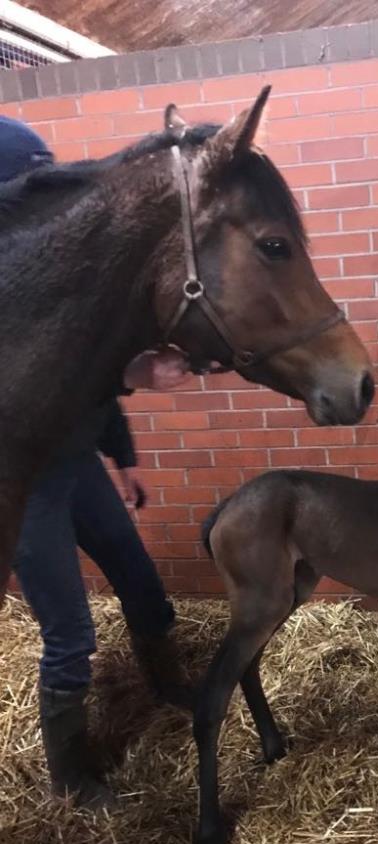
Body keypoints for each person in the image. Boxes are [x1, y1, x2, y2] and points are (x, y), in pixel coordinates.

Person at [2, 115, 193, 808]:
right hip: (25, 484)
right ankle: (71, 778)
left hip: (77, 462)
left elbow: (87, 382)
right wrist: (130, 373)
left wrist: (124, 458)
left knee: (139, 579)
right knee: (70, 632)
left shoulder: (54, 286)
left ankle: (170, 687)